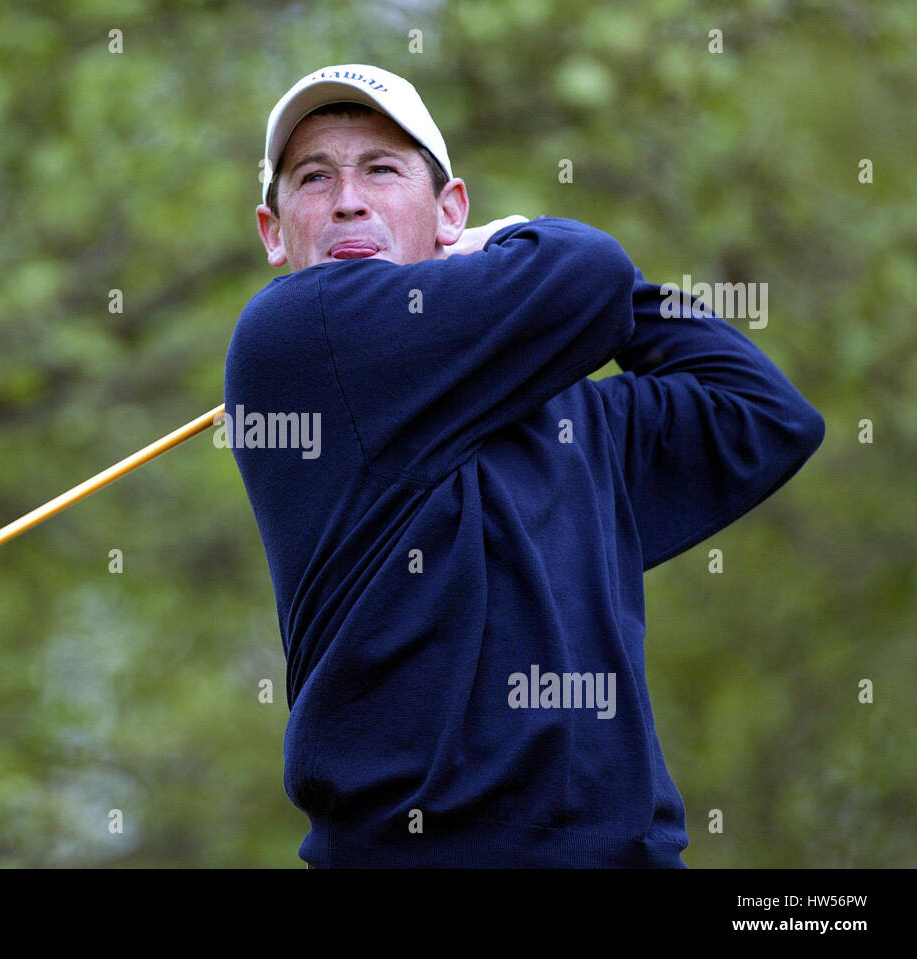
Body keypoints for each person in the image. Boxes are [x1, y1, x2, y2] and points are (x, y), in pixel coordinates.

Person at [222, 64, 825, 867]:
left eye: (381, 169)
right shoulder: (293, 341)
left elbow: (765, 412)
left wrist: (582, 308)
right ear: (273, 231)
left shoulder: (575, 418)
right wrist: (510, 250)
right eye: (313, 176)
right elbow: (589, 269)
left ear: (449, 210)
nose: (347, 200)